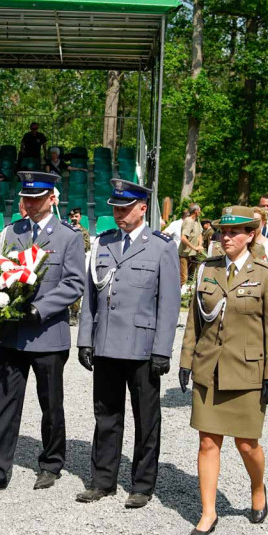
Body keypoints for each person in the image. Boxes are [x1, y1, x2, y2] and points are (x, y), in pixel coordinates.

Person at [0, 171, 85, 498]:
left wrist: (41, 308)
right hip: (11, 335)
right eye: (26, 198)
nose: (29, 204)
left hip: (47, 332)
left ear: (52, 199)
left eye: (36, 198)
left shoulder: (68, 237)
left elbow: (74, 283)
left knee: (51, 404)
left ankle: (51, 462)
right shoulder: (9, 233)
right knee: (3, 403)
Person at [178, 205, 268, 535]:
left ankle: (257, 488)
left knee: (247, 443)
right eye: (223, 232)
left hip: (247, 371)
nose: (226, 237)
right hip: (209, 368)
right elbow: (195, 321)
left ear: (251, 235)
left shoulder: (265, 274)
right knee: (208, 442)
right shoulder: (207, 270)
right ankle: (208, 512)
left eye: (234, 232)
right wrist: (185, 361)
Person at [75, 180, 181, 508]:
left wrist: (163, 349)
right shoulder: (104, 243)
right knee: (106, 415)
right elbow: (90, 296)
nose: (118, 214)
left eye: (125, 208)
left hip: (142, 347)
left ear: (142, 208)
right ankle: (103, 480)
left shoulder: (162, 246)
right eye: (115, 208)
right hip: (106, 344)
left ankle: (142, 484)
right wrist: (84, 340)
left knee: (145, 419)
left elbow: (169, 303)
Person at [178, 205, 203, 283]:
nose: (200, 212)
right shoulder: (189, 221)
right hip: (184, 254)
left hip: (193, 254)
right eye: (199, 210)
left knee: (193, 277)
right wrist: (194, 248)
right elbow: (183, 238)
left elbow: (199, 234)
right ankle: (180, 294)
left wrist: (199, 245)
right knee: (183, 278)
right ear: (196, 211)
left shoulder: (197, 220)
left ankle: (190, 294)